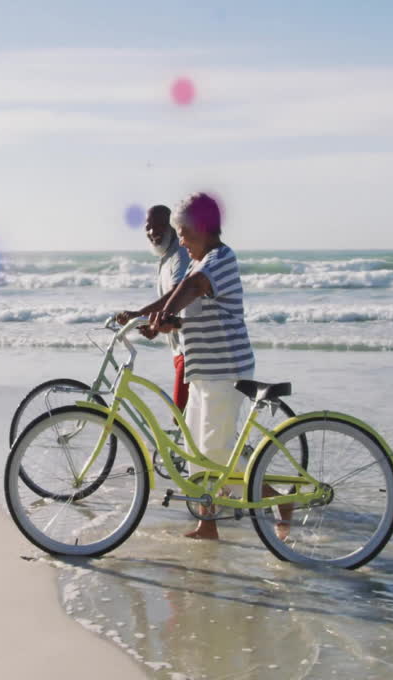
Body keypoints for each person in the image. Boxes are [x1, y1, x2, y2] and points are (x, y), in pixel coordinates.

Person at [116, 192, 292, 541]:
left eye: (183, 233)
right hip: (203, 370)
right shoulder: (200, 262)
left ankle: (280, 502)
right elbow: (182, 301)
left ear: (203, 228)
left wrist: (160, 316)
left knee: (218, 451)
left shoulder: (220, 259)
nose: (180, 240)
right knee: (197, 449)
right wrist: (154, 318)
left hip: (225, 369)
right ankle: (207, 524)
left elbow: (194, 288)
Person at [114, 205, 191, 411]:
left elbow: (176, 295)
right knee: (188, 419)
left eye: (159, 226)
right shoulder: (166, 258)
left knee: (182, 418)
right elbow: (171, 308)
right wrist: (154, 327)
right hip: (179, 348)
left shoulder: (180, 255)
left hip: (191, 349)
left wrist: (139, 314)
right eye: (148, 227)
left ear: (172, 227)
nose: (152, 232)